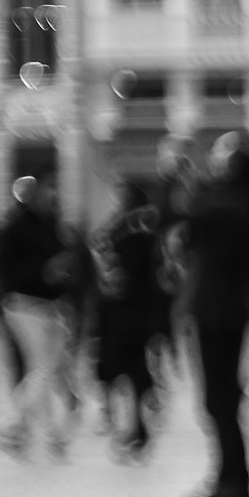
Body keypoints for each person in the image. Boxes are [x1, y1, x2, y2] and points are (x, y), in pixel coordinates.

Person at [176, 132, 249, 497]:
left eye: (220, 152)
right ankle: (229, 476)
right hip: (225, 309)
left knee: (220, 398)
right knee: (221, 398)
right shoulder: (240, 201)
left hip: (219, 311)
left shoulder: (228, 203)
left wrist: (190, 173)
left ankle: (234, 480)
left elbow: (188, 214)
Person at [0, 176, 75, 456]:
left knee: (43, 370)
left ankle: (47, 433)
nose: (53, 198)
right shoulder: (14, 228)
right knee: (42, 368)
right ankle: (12, 422)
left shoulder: (52, 226)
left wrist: (61, 276)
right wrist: (45, 271)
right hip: (24, 305)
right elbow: (8, 272)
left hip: (50, 306)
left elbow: (63, 263)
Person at [93, 184, 168, 459]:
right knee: (133, 372)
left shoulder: (129, 240)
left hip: (124, 317)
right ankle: (134, 426)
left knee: (121, 370)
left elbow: (102, 249)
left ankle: (130, 425)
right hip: (138, 316)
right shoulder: (146, 240)